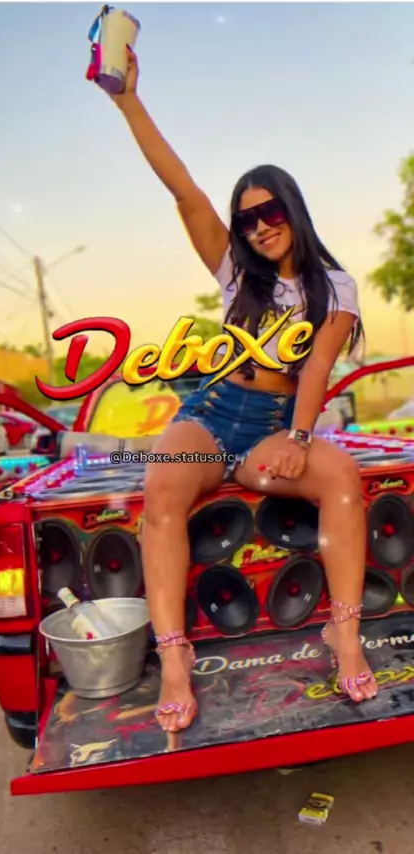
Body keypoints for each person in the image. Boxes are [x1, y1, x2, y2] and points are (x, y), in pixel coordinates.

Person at [94, 46, 378, 733]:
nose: (260, 226)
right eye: (247, 219)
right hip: (212, 419)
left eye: (269, 210)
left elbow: (317, 368)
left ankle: (344, 634)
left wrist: (299, 437)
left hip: (273, 429)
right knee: (165, 481)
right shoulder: (234, 272)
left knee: (342, 479)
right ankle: (175, 656)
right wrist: (128, 100)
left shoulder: (334, 287)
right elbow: (183, 189)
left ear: (293, 207)